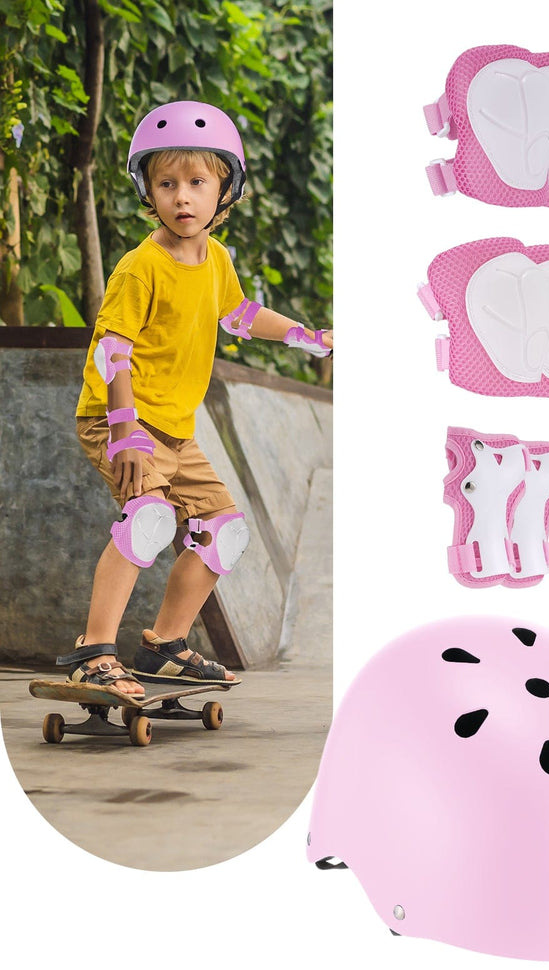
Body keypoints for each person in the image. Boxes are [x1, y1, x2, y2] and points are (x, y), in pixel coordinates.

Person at [61, 100, 331, 696]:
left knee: (223, 530)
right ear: (148, 191)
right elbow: (113, 349)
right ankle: (94, 653)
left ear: (224, 190)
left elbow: (238, 314)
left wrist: (304, 337)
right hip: (119, 420)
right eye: (166, 183)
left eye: (197, 182)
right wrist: (125, 427)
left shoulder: (216, 259)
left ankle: (163, 646)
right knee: (150, 521)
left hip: (174, 431)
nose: (182, 197)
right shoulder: (140, 268)